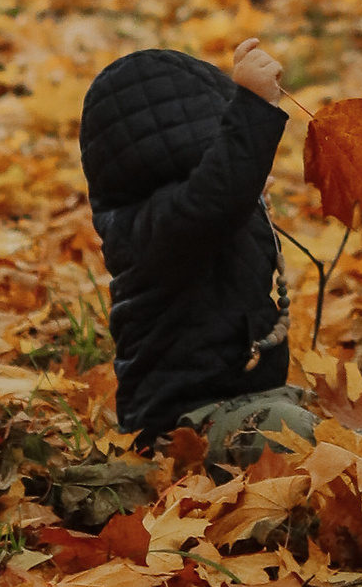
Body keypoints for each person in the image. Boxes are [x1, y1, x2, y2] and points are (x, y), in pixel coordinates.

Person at [77, 38, 319, 469]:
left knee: (341, 415)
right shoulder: (150, 228)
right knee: (287, 429)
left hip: (249, 401)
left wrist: (248, 190)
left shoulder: (201, 213)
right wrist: (252, 111)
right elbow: (213, 202)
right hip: (182, 427)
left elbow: (221, 201)